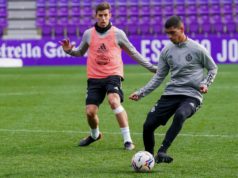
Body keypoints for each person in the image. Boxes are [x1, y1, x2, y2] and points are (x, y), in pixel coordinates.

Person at [59, 2, 157, 150]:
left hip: (113, 74)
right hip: (94, 77)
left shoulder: (118, 33)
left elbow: (133, 52)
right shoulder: (88, 34)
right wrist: (69, 51)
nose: (103, 18)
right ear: (95, 16)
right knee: (90, 112)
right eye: (100, 15)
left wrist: (151, 68)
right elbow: (79, 52)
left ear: (110, 15)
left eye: (106, 15)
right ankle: (95, 135)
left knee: (113, 101)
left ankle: (128, 140)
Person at [129, 15, 218, 162]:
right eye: (167, 33)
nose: (169, 36)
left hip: (192, 95)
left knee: (180, 114)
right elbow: (159, 76)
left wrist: (205, 84)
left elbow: (213, 68)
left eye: (172, 33)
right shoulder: (166, 51)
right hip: (170, 94)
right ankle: (149, 158)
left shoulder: (197, 49)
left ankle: (162, 151)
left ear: (182, 29)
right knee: (148, 125)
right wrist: (141, 93)